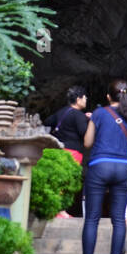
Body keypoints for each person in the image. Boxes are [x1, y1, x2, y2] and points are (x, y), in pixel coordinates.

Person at [79, 79, 127, 254]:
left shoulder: (99, 113)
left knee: (92, 218)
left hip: (99, 166)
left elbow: (87, 142)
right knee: (119, 219)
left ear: (108, 97)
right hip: (123, 168)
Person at [46, 86, 89, 218]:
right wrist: (90, 121)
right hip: (72, 152)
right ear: (78, 99)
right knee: (67, 181)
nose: (86, 99)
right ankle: (60, 211)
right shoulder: (79, 116)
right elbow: (84, 133)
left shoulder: (61, 112)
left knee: (58, 180)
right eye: (84, 97)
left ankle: (56, 209)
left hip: (59, 150)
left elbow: (47, 122)